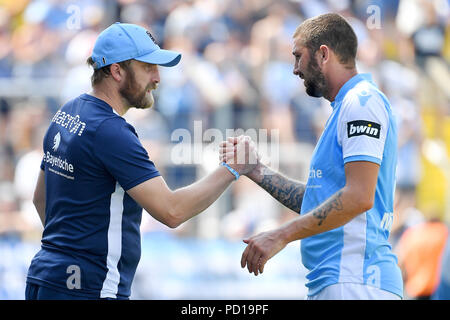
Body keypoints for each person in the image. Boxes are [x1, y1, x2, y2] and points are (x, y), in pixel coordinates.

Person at [26, 22, 253, 300]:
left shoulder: (68, 111)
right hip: (87, 288)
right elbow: (172, 212)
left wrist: (66, 252)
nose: (157, 78)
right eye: (148, 67)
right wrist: (232, 168)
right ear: (117, 71)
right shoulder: (112, 131)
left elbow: (40, 199)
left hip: (46, 277)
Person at [220, 13, 403, 300]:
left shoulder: (361, 102)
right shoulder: (344, 108)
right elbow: (320, 202)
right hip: (341, 281)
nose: (295, 69)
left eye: (298, 57)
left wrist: (280, 235)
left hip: (356, 281)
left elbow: (358, 197)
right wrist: (255, 170)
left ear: (323, 54)